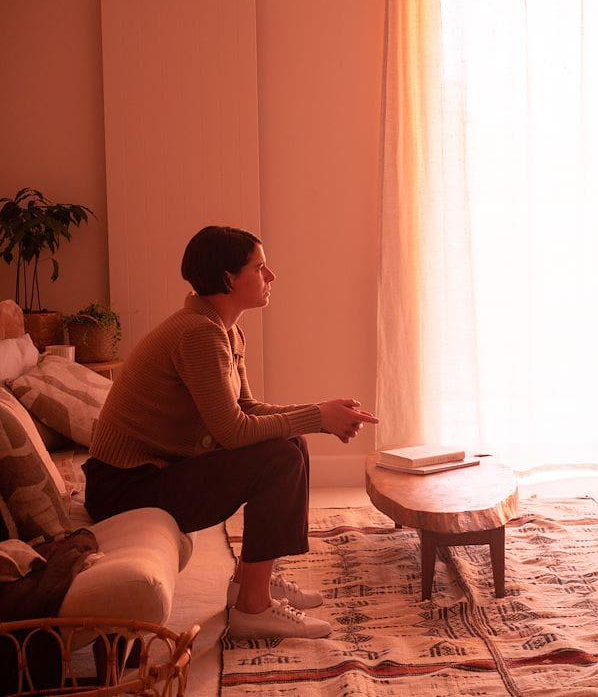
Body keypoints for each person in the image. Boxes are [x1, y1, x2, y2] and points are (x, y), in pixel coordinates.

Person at [83, 226, 379, 639]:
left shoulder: (223, 329)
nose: (271, 276)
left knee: (291, 443)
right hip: (125, 488)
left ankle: (250, 583)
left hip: (151, 476)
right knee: (280, 458)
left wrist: (320, 414)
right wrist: (317, 416)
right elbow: (233, 432)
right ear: (228, 278)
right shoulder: (198, 333)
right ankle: (252, 610)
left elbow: (245, 409)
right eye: (259, 268)